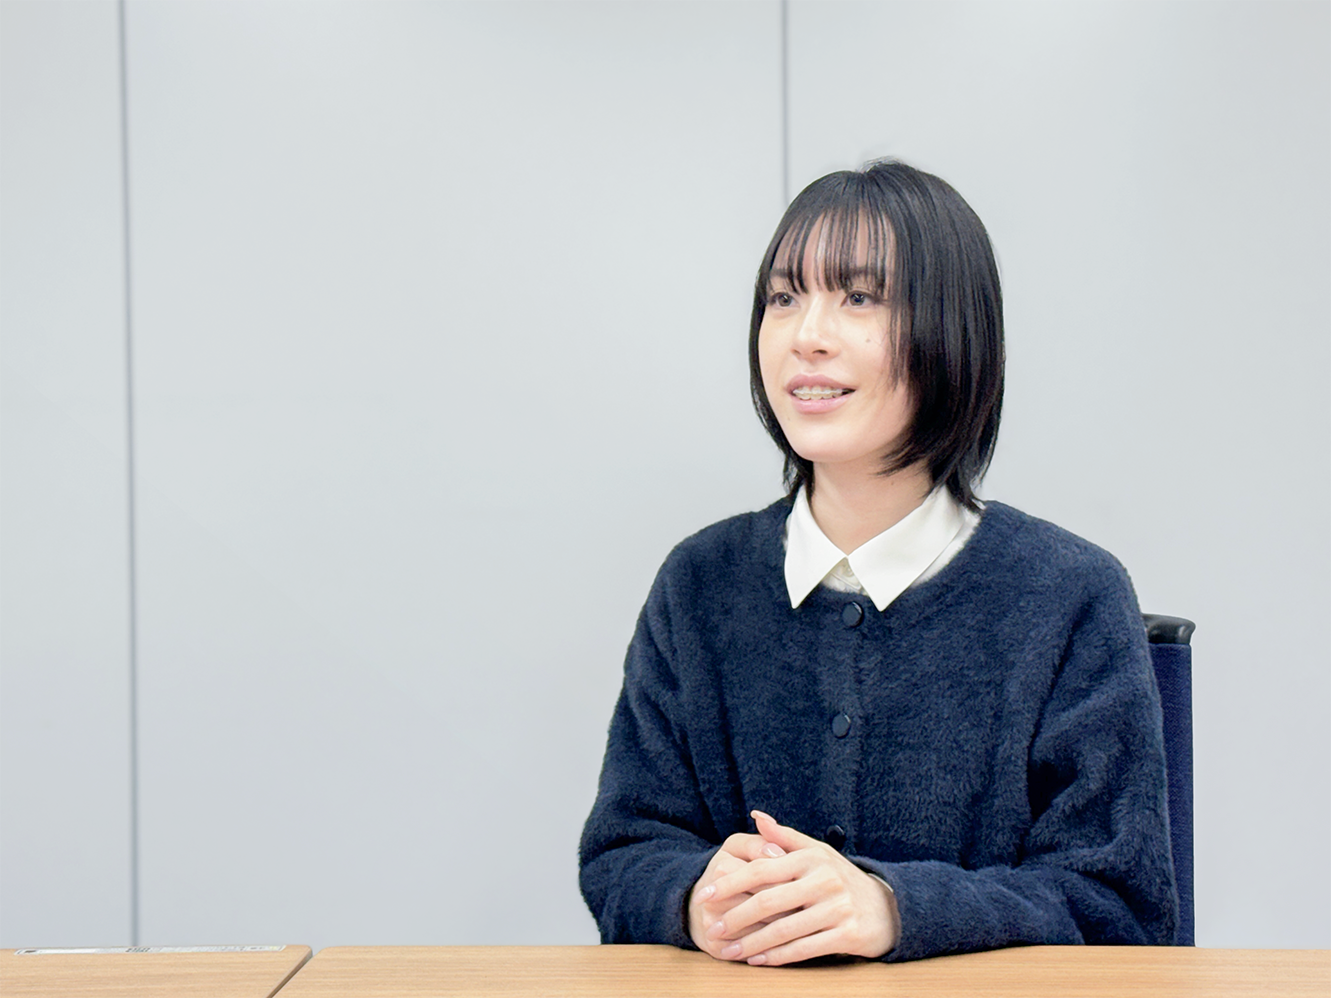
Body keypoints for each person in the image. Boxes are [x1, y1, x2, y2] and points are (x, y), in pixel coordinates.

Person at [578, 160, 1178, 965]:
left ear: (951, 331)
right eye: (783, 298)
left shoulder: (1069, 594)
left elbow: (1119, 907)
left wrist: (896, 909)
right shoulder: (699, 583)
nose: (806, 335)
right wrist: (693, 898)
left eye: (858, 297)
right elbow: (621, 855)